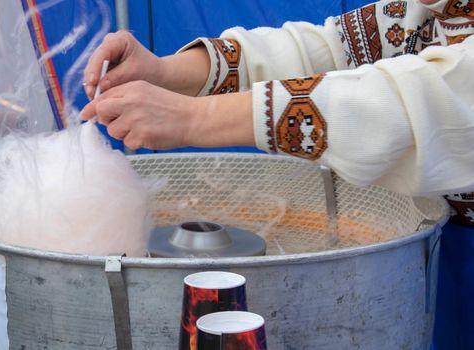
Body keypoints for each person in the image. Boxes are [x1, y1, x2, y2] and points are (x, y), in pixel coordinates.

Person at [81, 0, 474, 347]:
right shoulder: (421, 12)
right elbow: (325, 54)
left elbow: (421, 103)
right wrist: (166, 71)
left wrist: (192, 119)